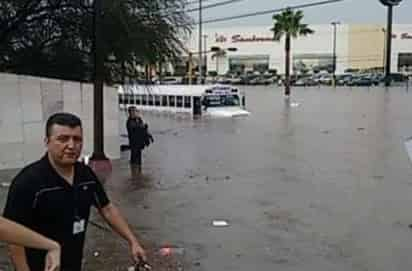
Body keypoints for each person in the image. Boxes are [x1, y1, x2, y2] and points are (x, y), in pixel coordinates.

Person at [3, 112, 146, 271]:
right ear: (47, 142)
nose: (71, 146)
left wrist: (133, 241)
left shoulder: (86, 175)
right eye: (63, 139)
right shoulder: (28, 182)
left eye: (77, 139)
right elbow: (13, 237)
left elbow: (107, 208)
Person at [126, 107, 153, 175]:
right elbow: (136, 127)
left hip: (140, 143)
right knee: (134, 159)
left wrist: (149, 136)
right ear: (130, 113)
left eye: (136, 111)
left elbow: (144, 130)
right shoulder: (129, 121)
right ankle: (134, 173)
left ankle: (138, 173)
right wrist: (143, 126)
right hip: (133, 143)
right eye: (133, 112)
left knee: (139, 160)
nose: (135, 113)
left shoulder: (139, 119)